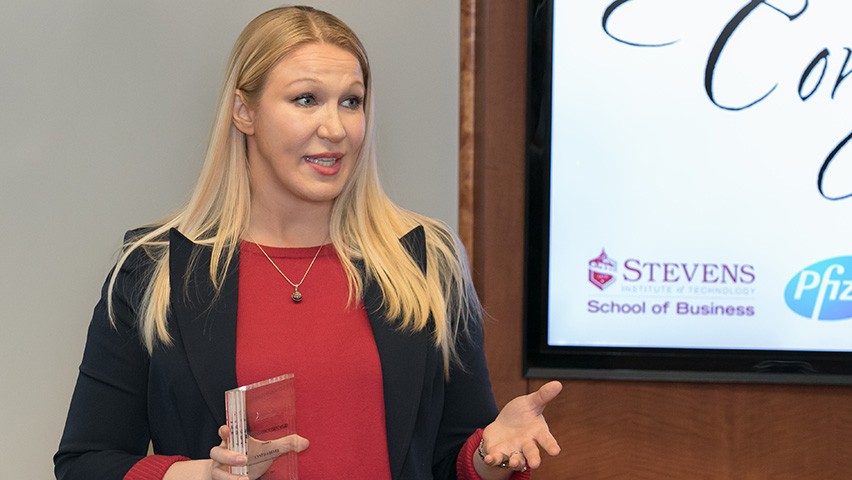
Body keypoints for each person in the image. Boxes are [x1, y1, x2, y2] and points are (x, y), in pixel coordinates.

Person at [54, 5, 562, 480]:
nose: (335, 128)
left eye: (351, 102)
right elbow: (86, 461)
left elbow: (455, 458)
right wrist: (203, 474)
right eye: (306, 100)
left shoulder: (427, 262)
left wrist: (492, 452)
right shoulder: (155, 270)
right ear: (244, 112)